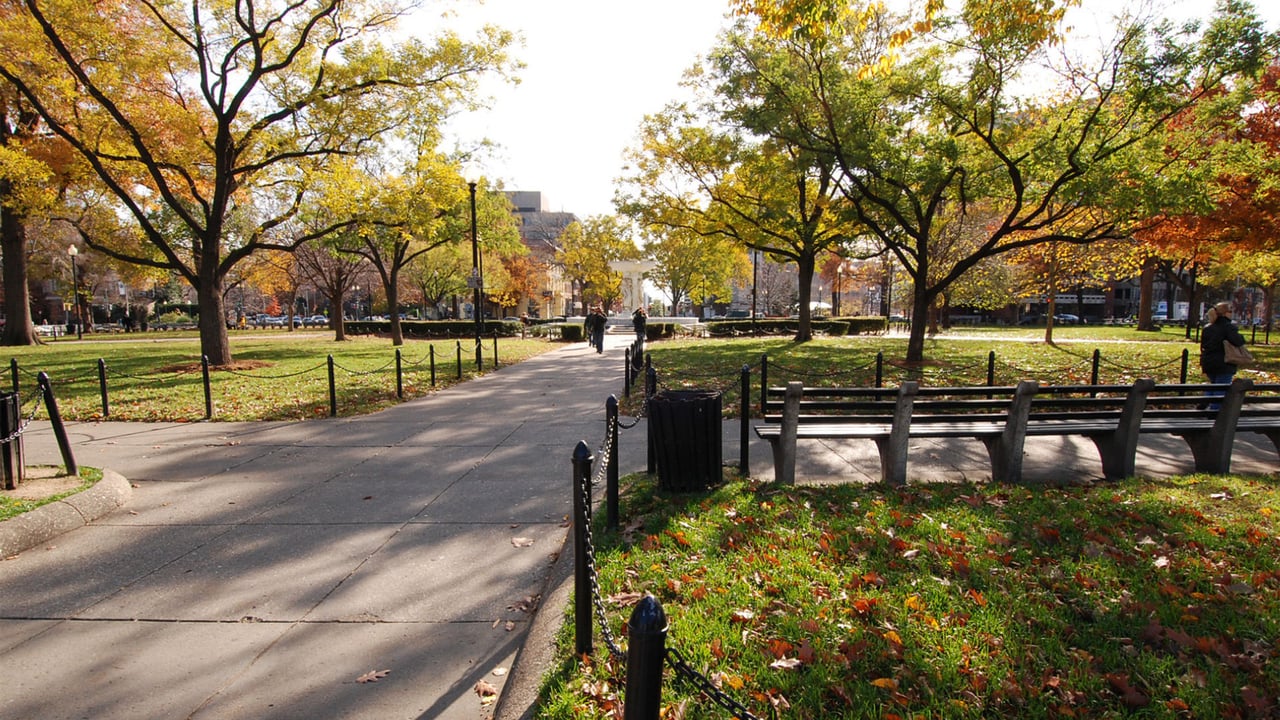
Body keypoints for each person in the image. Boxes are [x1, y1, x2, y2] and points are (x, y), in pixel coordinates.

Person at [1200, 300, 1247, 409]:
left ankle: (1205, 404)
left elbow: (1204, 345)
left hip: (1209, 362)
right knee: (1221, 389)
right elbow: (1238, 341)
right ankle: (1215, 413)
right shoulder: (1228, 327)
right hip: (1224, 362)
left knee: (1213, 385)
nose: (1232, 314)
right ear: (1225, 313)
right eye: (1230, 311)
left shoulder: (1207, 328)